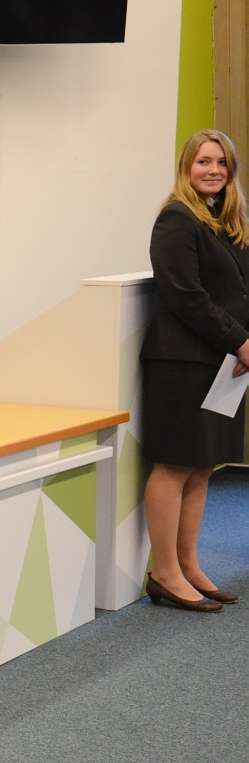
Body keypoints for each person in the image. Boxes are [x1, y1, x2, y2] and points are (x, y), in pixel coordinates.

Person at [138, 128, 248, 612]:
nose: (213, 170)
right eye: (204, 161)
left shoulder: (229, 220)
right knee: (175, 464)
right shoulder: (176, 219)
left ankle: (188, 565)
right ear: (187, 166)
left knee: (203, 464)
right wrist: (241, 341)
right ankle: (164, 573)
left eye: (221, 162)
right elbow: (186, 297)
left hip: (226, 363)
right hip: (182, 361)